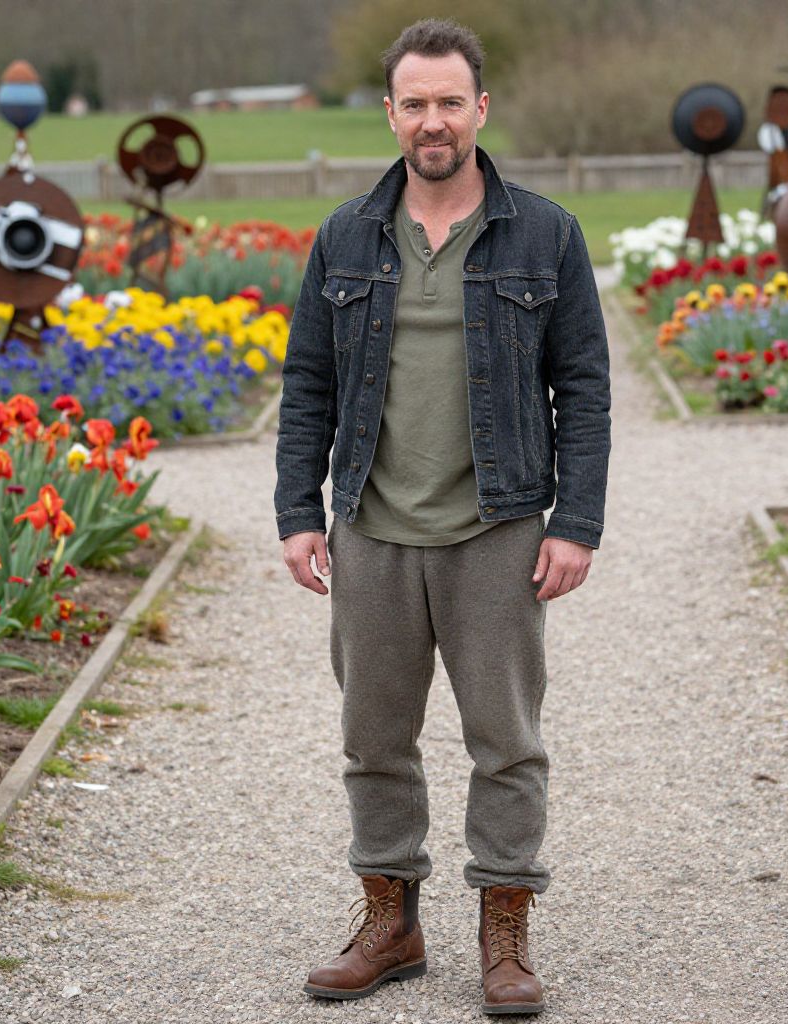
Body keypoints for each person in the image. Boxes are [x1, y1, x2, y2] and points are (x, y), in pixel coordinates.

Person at [274, 16, 611, 1016]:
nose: (433, 120)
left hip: (497, 531)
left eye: (449, 102)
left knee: (506, 741)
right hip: (370, 530)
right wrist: (298, 510)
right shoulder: (345, 235)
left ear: (480, 109)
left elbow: (584, 389)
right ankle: (392, 922)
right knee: (374, 739)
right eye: (415, 103)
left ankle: (504, 933)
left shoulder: (545, 233)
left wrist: (576, 521)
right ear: (390, 113)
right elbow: (307, 385)